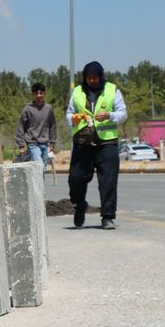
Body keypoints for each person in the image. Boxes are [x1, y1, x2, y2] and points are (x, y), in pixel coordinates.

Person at [66, 61, 127, 230]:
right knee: (76, 179)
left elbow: (123, 114)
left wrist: (110, 115)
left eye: (95, 77)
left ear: (101, 76)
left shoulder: (112, 90)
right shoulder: (77, 92)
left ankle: (108, 217)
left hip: (106, 143)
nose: (92, 80)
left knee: (108, 181)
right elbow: (69, 114)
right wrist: (73, 118)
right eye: (89, 77)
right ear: (85, 77)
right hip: (82, 143)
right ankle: (79, 205)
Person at [15, 82, 57, 167]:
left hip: (44, 143)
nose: (39, 95)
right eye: (36, 93)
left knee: (43, 168)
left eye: (41, 93)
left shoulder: (48, 108)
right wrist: (21, 146)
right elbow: (21, 126)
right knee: (39, 165)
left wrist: (52, 143)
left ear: (44, 94)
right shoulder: (27, 109)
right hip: (32, 143)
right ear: (33, 94)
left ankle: (38, 181)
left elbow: (52, 126)